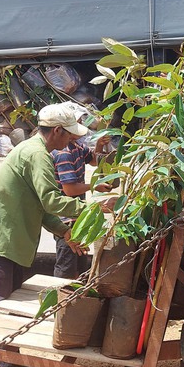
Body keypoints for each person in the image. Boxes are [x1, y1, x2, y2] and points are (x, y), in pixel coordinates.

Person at [0, 102, 109, 367]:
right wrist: (97, 207)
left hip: (12, 243)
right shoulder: (37, 154)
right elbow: (51, 199)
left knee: (9, 310)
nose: (72, 141)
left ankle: (7, 365)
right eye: (70, 136)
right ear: (56, 131)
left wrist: (63, 232)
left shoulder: (36, 151)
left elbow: (40, 206)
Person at [52, 103, 113, 279]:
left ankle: (73, 301)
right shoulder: (63, 152)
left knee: (78, 264)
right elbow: (69, 189)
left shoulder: (76, 147)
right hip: (66, 219)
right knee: (66, 267)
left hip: (77, 215)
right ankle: (60, 300)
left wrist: (100, 145)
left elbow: (93, 160)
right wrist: (95, 186)